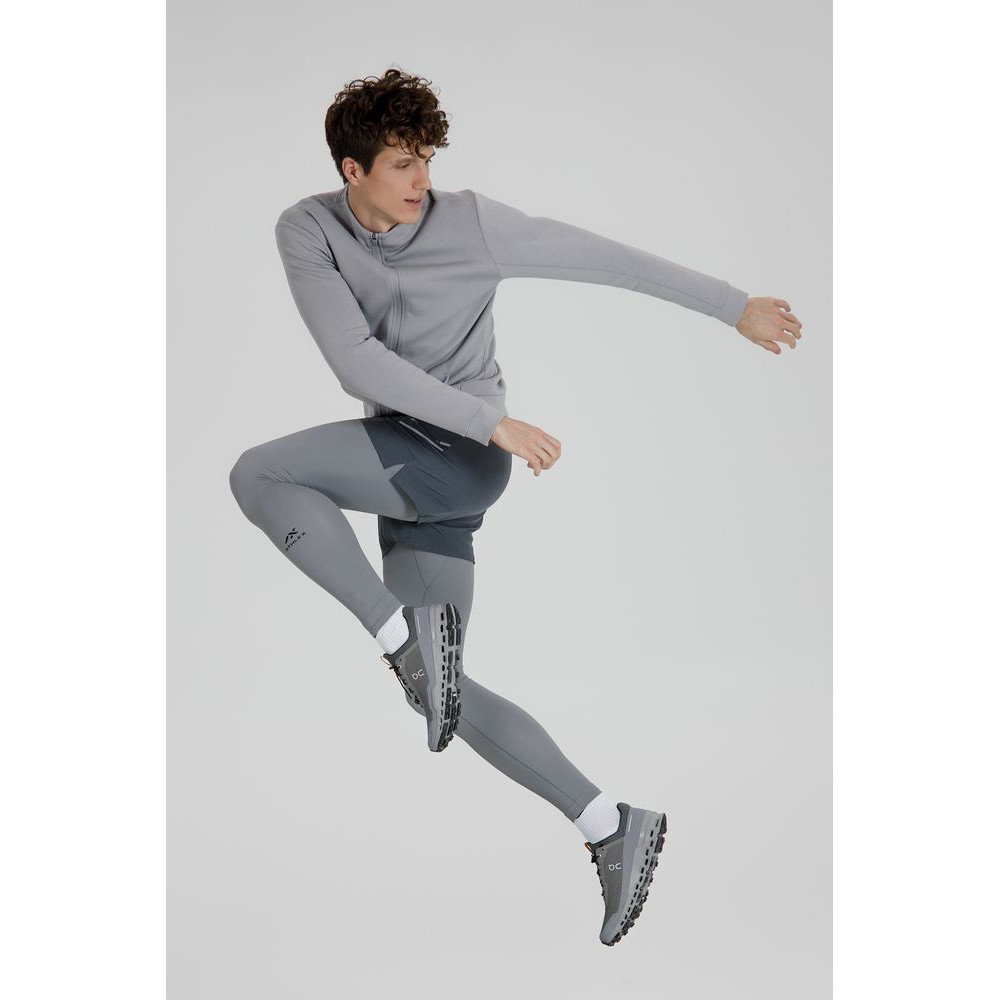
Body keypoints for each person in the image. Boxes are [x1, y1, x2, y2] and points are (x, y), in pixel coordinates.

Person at [228, 66, 803, 946]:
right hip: (416, 457)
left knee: (259, 476)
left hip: (457, 459)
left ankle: (400, 638)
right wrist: (488, 422)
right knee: (441, 696)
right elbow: (354, 362)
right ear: (352, 170)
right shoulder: (308, 230)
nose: (421, 182)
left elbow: (608, 260)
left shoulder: (472, 224)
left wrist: (733, 309)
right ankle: (610, 824)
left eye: (427, 160)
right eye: (401, 164)